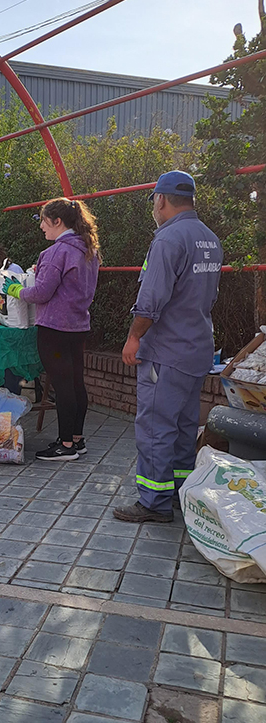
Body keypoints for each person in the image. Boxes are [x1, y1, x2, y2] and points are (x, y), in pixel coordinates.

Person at [113, 170, 223, 523]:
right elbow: (209, 296)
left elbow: (150, 300)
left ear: (160, 200)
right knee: (184, 427)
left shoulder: (168, 239)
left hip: (166, 352)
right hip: (196, 349)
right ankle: (178, 492)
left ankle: (153, 502)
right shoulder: (209, 239)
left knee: (155, 427)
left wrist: (134, 337)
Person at [3, 197, 101, 460]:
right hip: (78, 325)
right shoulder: (88, 249)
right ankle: (76, 439)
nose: (41, 227)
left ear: (57, 221)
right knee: (76, 383)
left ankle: (65, 445)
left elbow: (41, 293)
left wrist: (16, 290)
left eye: (44, 221)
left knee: (62, 385)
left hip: (54, 328)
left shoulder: (56, 252)